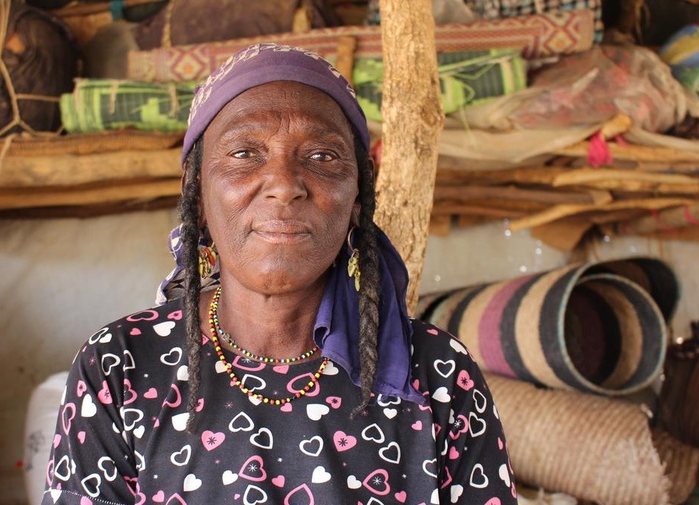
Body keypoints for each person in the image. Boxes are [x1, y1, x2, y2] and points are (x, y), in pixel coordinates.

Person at [41, 43, 516, 505]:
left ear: (357, 196)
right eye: (245, 153)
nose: (285, 185)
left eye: (322, 156)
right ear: (198, 191)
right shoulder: (121, 366)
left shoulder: (434, 374)